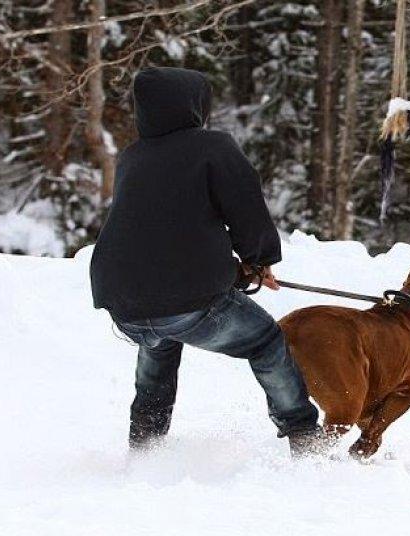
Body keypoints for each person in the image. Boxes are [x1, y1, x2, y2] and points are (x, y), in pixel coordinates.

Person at [89, 67, 322, 456]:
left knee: (159, 351)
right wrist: (260, 259)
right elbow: (245, 207)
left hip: (123, 301)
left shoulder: (132, 158)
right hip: (182, 297)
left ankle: (145, 449)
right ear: (194, 105)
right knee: (265, 341)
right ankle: (303, 435)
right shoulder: (212, 146)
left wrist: (235, 270)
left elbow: (165, 232)